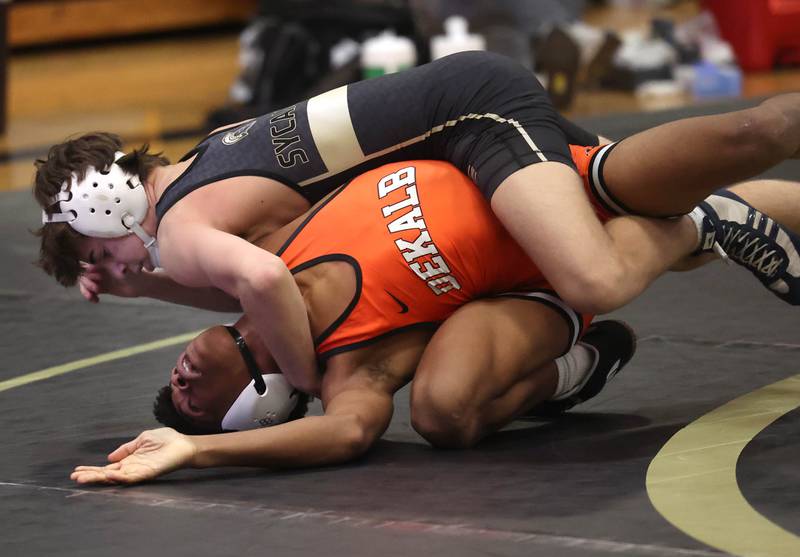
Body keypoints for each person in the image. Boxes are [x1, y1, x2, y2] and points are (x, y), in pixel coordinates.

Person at [35, 51, 800, 397]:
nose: (119, 264)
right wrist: (150, 289)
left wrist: (300, 382)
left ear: (104, 211)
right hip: (466, 112)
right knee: (671, 180)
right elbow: (256, 271)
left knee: (593, 271)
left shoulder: (181, 229)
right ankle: (708, 219)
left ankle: (704, 225)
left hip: (474, 123)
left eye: (99, 254)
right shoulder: (198, 167)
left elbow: (265, 281)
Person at [69, 159, 800, 485]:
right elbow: (350, 429)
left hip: (509, 167)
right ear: (254, 405)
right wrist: (193, 453)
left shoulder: (253, 271)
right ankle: (574, 363)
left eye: (175, 381)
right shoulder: (347, 371)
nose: (183, 375)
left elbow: (230, 271)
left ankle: (705, 223)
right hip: (526, 271)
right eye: (193, 401)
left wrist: (143, 287)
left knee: (736, 146)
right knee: (443, 413)